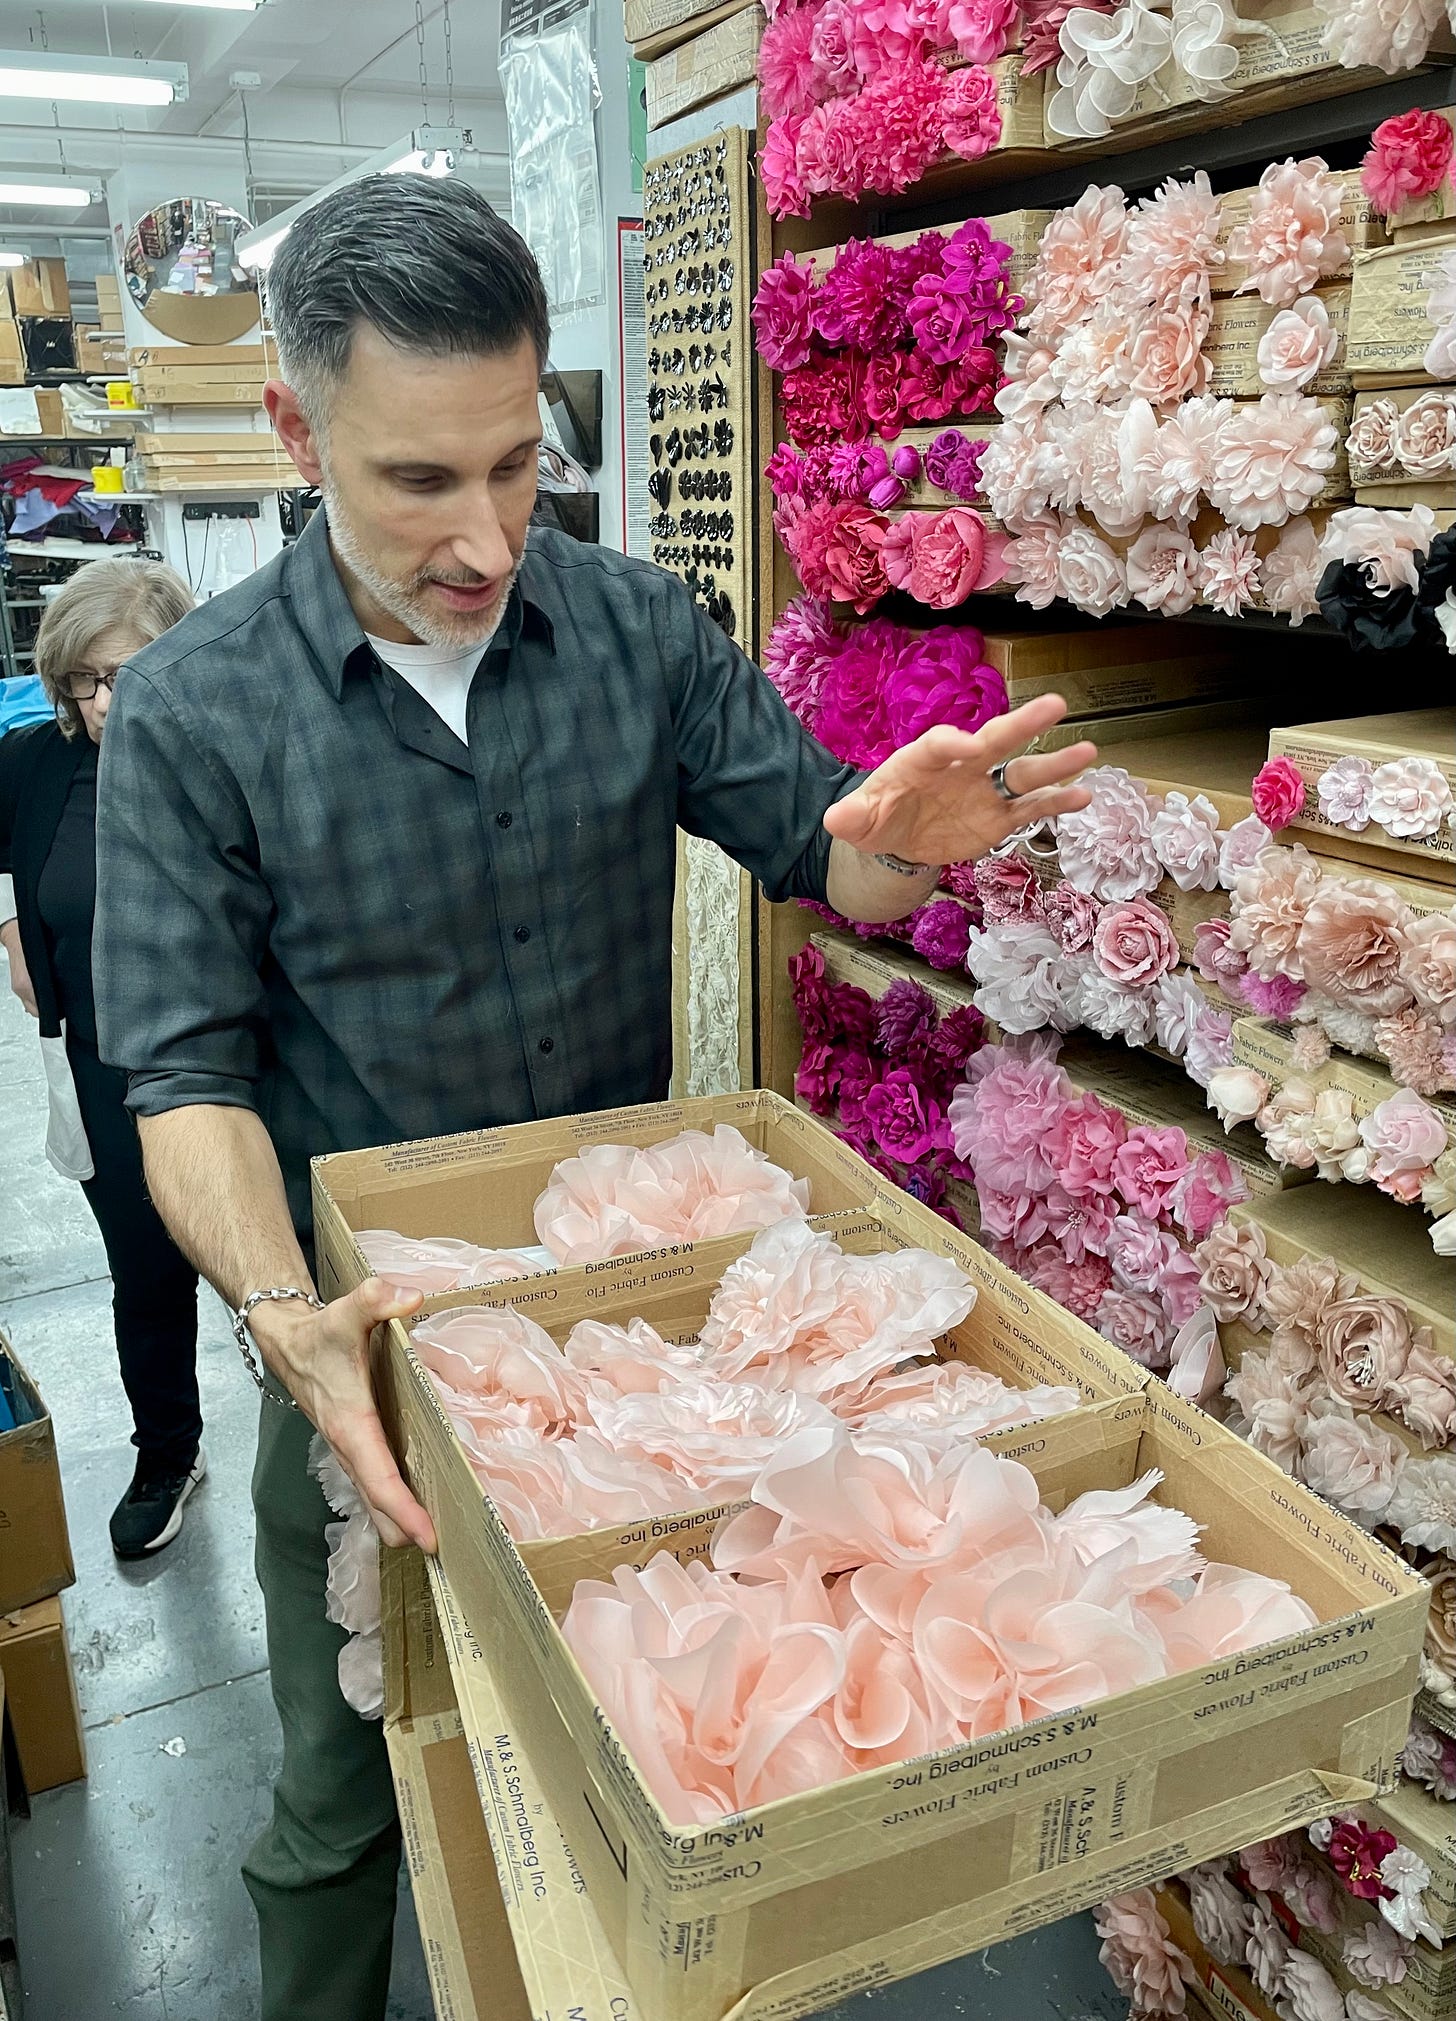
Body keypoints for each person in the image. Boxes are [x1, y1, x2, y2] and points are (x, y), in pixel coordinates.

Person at [91, 176, 1097, 2020]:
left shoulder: (639, 630)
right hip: (367, 1349)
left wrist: (904, 848)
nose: (487, 537)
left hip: (634, 1353)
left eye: (515, 462)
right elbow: (183, 1076)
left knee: (648, 1755)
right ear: (298, 431)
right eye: (418, 480)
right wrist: (287, 1312)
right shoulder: (190, 713)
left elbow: (820, 852)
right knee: (340, 1799)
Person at [0, 557, 207, 1557]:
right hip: (102, 1067)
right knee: (146, 1273)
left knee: (283, 1261)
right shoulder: (35, 763)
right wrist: (12, 925)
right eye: (83, 680)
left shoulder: (224, 754)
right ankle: (166, 1452)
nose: (101, 703)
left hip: (232, 1064)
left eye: (123, 674)